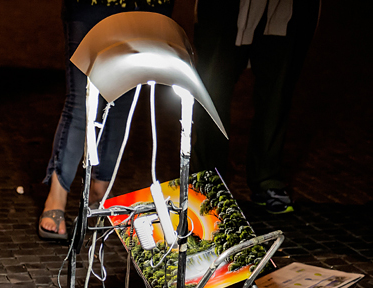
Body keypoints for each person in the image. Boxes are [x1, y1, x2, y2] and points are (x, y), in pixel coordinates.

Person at [39, 0, 173, 241]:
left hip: (144, 6)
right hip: (92, 4)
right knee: (81, 100)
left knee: (122, 99)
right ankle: (56, 196)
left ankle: (100, 189)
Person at [192, 0, 320, 214]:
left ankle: (267, 179)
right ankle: (207, 179)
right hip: (225, 9)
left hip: (286, 7)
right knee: (211, 89)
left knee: (277, 94)